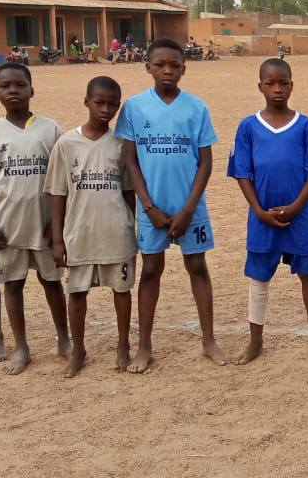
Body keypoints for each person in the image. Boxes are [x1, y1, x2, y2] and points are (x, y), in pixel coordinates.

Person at [116, 38, 230, 372]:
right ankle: (144, 346)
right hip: (152, 209)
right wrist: (149, 208)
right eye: (160, 65)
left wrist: (188, 210)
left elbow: (205, 163)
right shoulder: (134, 108)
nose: (167, 70)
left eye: (175, 65)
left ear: (184, 69)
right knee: (151, 270)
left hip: (190, 208)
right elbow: (130, 161)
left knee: (197, 267)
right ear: (147, 67)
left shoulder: (197, 108)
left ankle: (208, 340)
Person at [227, 59, 308, 365]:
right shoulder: (248, 127)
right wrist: (258, 210)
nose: (277, 89)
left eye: (283, 83)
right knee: (259, 278)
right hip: (261, 216)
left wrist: (295, 207)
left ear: (291, 85)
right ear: (260, 86)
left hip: (299, 216)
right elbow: (242, 172)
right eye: (270, 83)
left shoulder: (305, 125)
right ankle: (255, 341)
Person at [0, 62, 70, 375]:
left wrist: (58, 223)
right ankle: (21, 347)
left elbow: (63, 180)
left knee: (52, 282)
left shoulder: (50, 130)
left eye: (20, 85)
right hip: (7, 227)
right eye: (5, 86)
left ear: (32, 90)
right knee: (12, 286)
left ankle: (64, 339)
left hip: (44, 226)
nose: (13, 90)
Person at [45, 76, 136, 377]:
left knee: (121, 290)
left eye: (113, 105)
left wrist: (133, 226)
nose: (106, 110)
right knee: (77, 293)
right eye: (99, 103)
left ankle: (123, 344)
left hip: (115, 232)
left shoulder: (121, 144)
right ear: (86, 102)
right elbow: (57, 193)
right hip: (79, 233)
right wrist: (57, 239)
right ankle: (79, 350)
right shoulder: (66, 143)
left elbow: (129, 191)